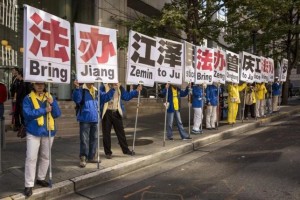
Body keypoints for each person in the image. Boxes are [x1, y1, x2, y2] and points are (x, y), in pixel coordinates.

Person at [23, 82, 61, 197]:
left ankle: (41, 178)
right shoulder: (28, 98)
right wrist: (44, 110)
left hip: (48, 131)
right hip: (33, 131)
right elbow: (27, 114)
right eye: (37, 84)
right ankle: (28, 184)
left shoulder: (50, 97)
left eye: (42, 84)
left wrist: (52, 103)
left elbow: (57, 114)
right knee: (31, 158)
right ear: (33, 86)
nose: (40, 86)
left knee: (46, 156)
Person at [72, 81, 115, 167]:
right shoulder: (81, 90)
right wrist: (76, 88)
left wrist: (113, 89)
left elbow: (105, 98)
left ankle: (92, 156)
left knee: (94, 139)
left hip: (95, 119)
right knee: (84, 140)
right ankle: (83, 157)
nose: (91, 81)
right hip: (85, 118)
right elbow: (77, 99)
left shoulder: (96, 91)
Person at [101, 83, 142, 159]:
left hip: (116, 112)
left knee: (121, 133)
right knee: (106, 133)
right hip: (107, 112)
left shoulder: (120, 87)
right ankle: (108, 152)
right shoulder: (103, 87)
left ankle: (126, 150)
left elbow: (126, 96)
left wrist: (136, 91)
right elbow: (102, 98)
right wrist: (113, 89)